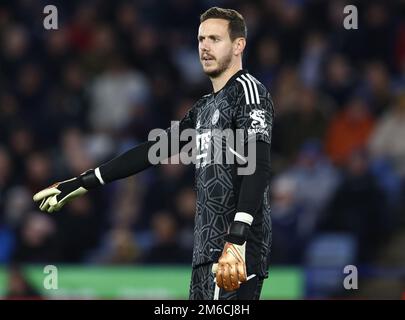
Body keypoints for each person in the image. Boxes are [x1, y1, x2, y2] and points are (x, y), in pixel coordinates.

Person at [33, 7, 274, 300]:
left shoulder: (250, 93)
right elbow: (152, 152)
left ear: (238, 45)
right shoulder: (203, 107)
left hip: (234, 251)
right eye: (201, 39)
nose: (205, 47)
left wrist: (237, 237)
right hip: (207, 251)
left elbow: (258, 166)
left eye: (215, 38)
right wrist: (84, 182)